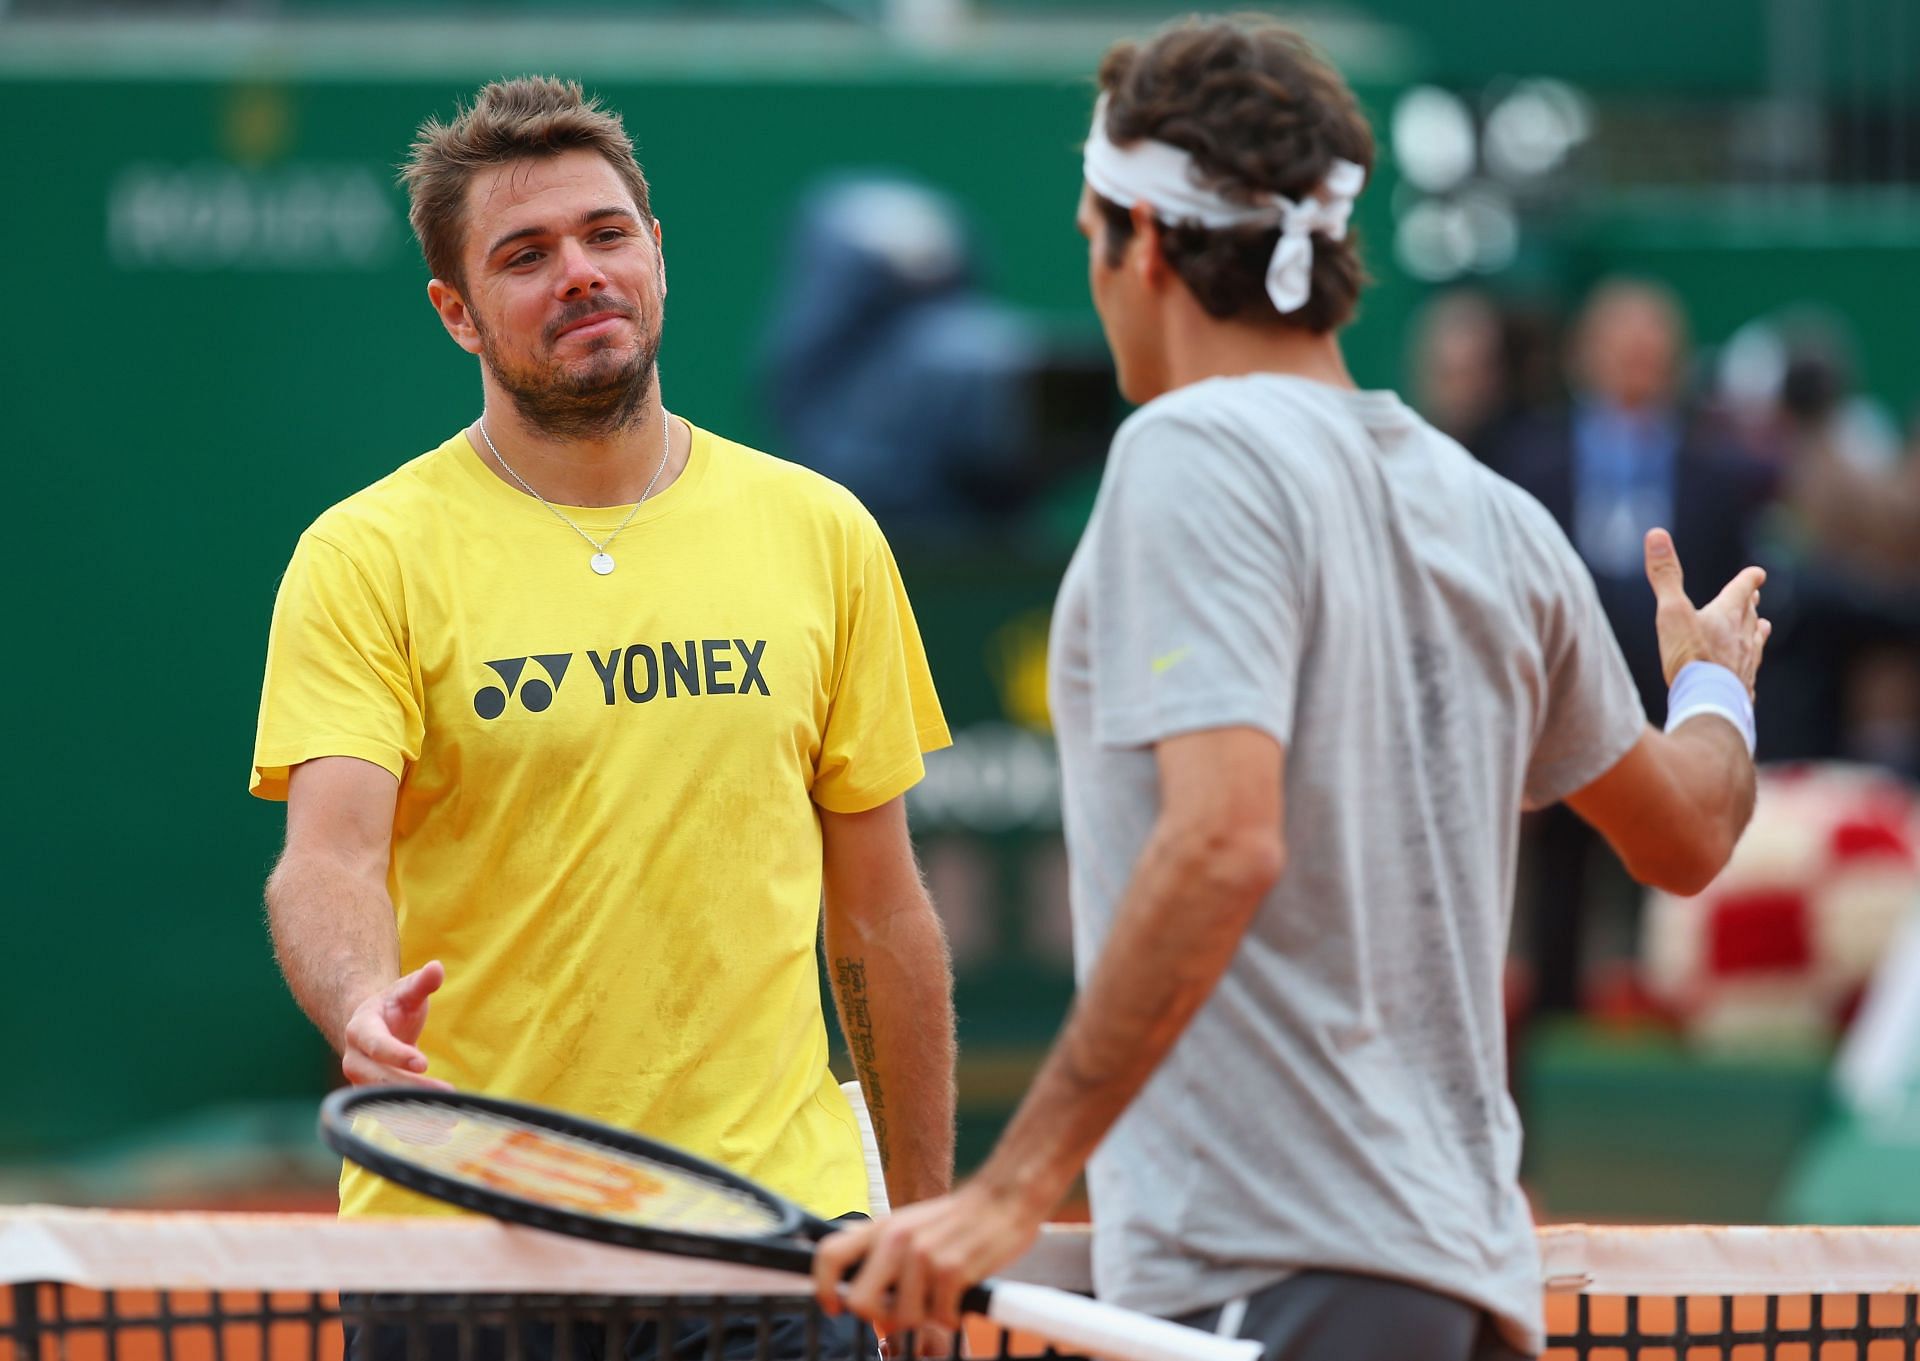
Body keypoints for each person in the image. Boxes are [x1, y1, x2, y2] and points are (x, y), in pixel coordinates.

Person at [811, 18, 1769, 1359]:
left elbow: (1222, 838)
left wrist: (1007, 1193)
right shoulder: (1493, 513)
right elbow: (1687, 833)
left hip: (1272, 1285)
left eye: (1095, 242)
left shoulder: (1186, 454)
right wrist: (1714, 689)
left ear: (1142, 243)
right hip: (1461, 1298)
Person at [249, 76, 956, 1359]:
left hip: (768, 1236)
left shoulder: (823, 534)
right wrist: (357, 1001)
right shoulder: (362, 556)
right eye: (525, 255)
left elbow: (882, 910)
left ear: (657, 256)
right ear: (456, 313)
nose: (578, 272)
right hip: (461, 1245)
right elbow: (330, 855)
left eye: (605, 234)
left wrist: (927, 1217)